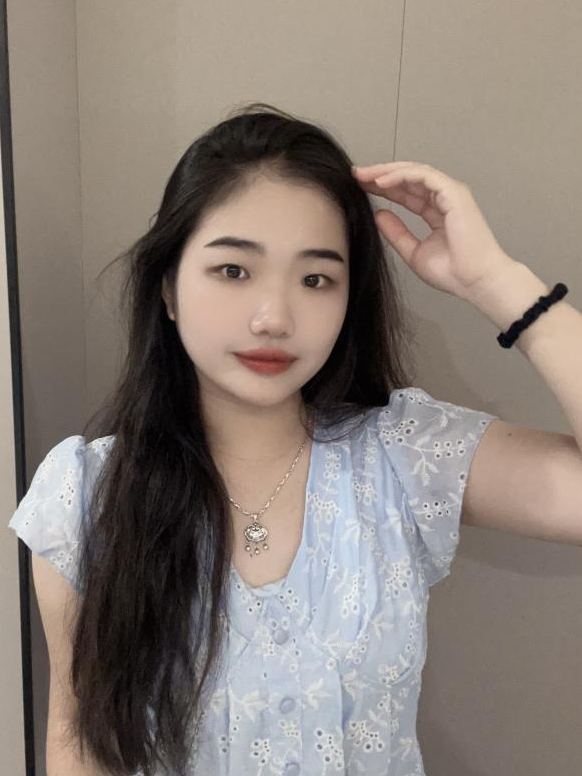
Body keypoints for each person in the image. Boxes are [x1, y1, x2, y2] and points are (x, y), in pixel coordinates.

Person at [9, 102, 577, 776]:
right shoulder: (83, 495)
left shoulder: (405, 456)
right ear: (168, 289)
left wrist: (498, 283)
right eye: (233, 270)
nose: (274, 317)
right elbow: (80, 737)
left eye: (316, 279)